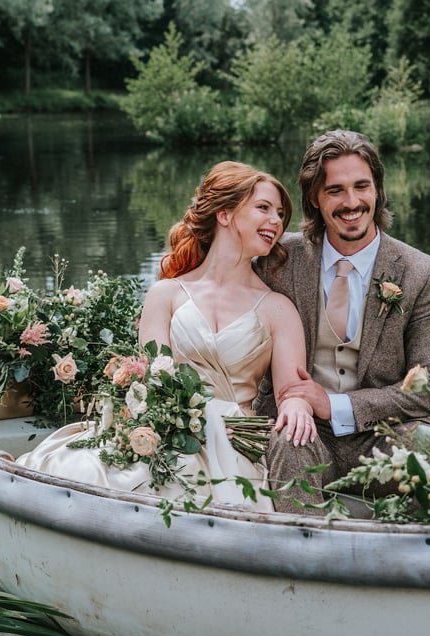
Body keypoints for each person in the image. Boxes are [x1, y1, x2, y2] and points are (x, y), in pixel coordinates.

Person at [17, 161, 319, 514]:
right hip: (169, 432)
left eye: (281, 214)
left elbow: (289, 393)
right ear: (224, 213)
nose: (277, 221)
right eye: (264, 208)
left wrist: (297, 404)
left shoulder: (278, 309)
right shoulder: (166, 294)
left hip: (237, 443)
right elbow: (154, 381)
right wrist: (189, 421)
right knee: (89, 471)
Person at [254, 130, 430, 502]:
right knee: (290, 445)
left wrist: (335, 405)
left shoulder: (420, 272)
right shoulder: (279, 260)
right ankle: (307, 553)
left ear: (377, 189)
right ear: (314, 198)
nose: (352, 202)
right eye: (335, 190)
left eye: (362, 186)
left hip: (384, 434)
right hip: (301, 426)